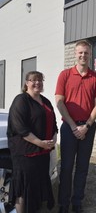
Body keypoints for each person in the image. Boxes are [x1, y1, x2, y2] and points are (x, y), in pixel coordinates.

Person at [55, 40, 96, 213]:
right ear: (75, 54)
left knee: (82, 167)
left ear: (90, 55)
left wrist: (87, 126)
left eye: (86, 53)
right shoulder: (65, 75)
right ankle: (63, 203)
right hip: (69, 128)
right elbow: (59, 102)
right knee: (66, 167)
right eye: (80, 52)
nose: (83, 55)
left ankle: (77, 202)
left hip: (88, 128)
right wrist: (74, 126)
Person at [7, 71, 57, 213]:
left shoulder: (45, 101)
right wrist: (40, 143)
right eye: (33, 80)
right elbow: (20, 128)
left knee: (36, 186)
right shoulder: (21, 100)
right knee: (23, 188)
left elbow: (53, 124)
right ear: (26, 83)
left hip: (43, 153)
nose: (37, 83)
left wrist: (53, 139)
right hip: (25, 154)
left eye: (40, 80)